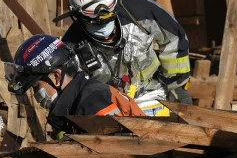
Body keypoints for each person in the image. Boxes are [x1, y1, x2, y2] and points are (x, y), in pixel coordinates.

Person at [60, 0, 191, 115]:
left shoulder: (141, 13)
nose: (102, 16)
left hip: (155, 94)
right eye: (92, 12)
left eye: (108, 6)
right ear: (77, 14)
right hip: (111, 109)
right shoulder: (71, 47)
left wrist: (177, 85)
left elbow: (174, 38)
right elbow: (69, 93)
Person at [9, 33, 143, 137]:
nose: (36, 95)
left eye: (36, 86)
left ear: (56, 77)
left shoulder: (92, 101)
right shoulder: (77, 103)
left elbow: (118, 154)